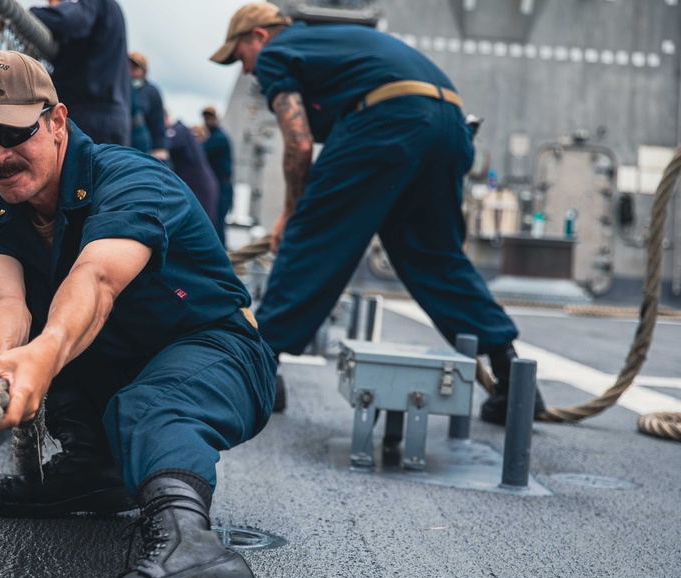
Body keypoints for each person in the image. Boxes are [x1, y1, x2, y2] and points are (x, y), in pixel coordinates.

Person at [0, 50, 276, 578]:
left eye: (14, 133)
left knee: (149, 404)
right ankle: (97, 467)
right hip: (116, 358)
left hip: (212, 349)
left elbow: (97, 280)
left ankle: (193, 554)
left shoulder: (129, 180)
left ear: (57, 121)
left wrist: (44, 353)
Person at [210, 2, 544, 424]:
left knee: (315, 239)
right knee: (433, 255)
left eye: (240, 57)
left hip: (386, 120)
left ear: (258, 36)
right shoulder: (336, 44)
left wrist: (289, 214)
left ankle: (259, 368)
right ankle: (514, 377)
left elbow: (297, 143)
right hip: (448, 124)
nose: (245, 72)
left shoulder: (280, 51)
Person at [29, 0, 131, 146]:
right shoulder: (110, 9)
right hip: (109, 116)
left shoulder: (92, 4)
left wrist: (30, 15)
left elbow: (66, 21)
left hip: (89, 116)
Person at [165, 114, 220, 238]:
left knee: (202, 232)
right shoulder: (181, 132)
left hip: (200, 189)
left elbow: (165, 143)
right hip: (201, 187)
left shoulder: (179, 131)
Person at [200, 106, 234, 248]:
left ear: (216, 118)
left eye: (210, 118)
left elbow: (199, 151)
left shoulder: (218, 138)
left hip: (222, 187)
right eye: (205, 118)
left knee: (217, 224)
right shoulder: (214, 137)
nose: (207, 121)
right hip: (219, 186)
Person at [128, 51, 169, 160]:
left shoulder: (151, 92)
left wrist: (160, 148)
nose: (131, 70)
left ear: (144, 71)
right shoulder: (121, 88)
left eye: (135, 67)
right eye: (128, 66)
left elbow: (158, 122)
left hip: (143, 146)